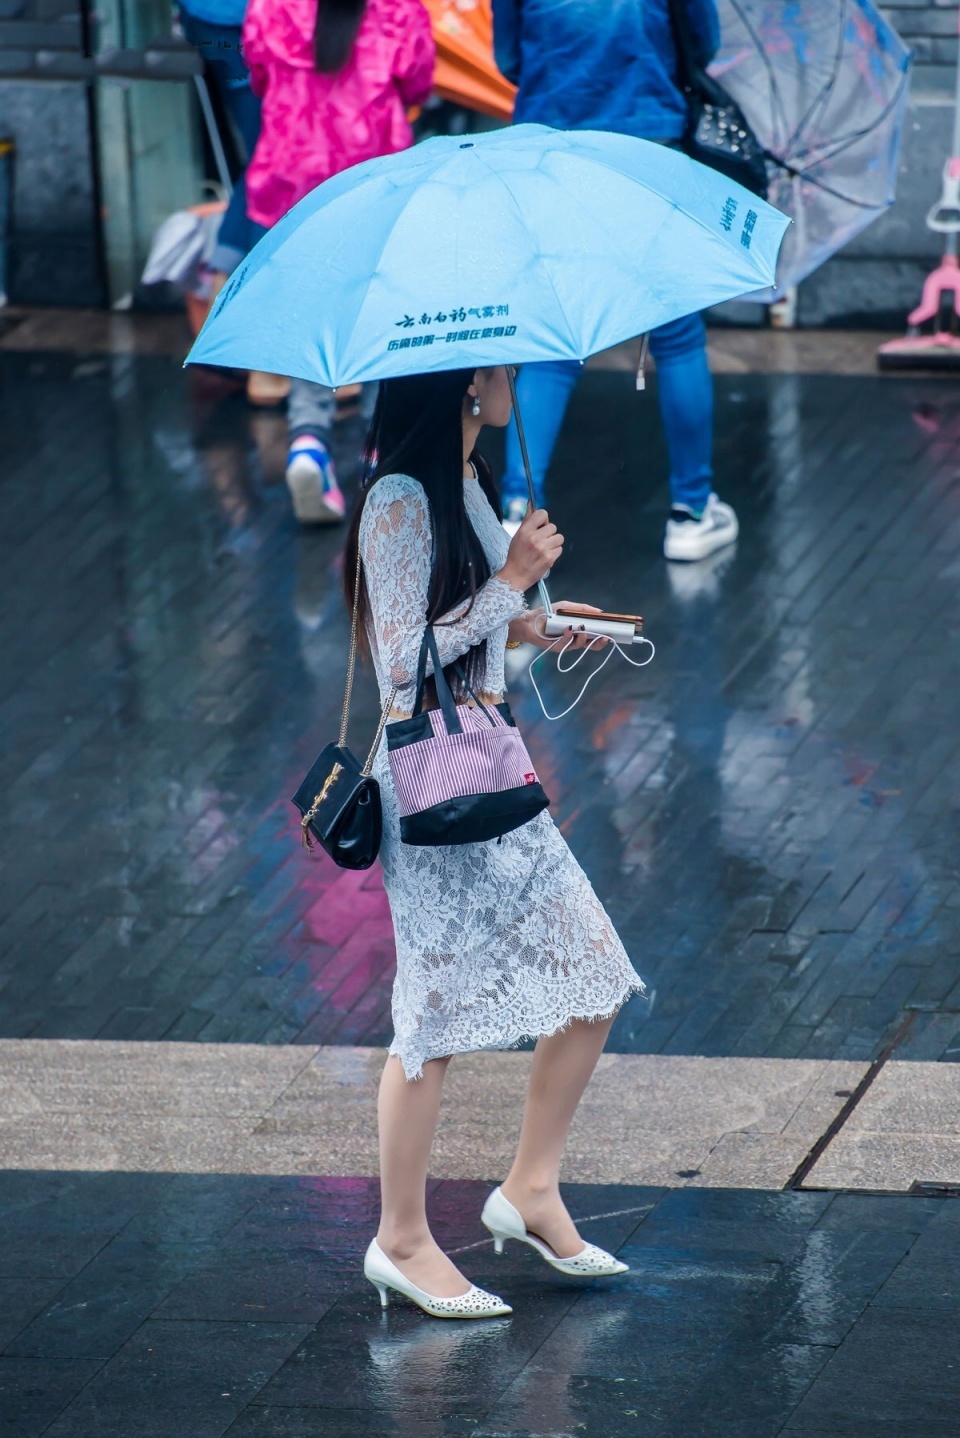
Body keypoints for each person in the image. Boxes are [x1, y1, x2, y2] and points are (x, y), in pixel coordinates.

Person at [347, 365, 645, 1317]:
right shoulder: (398, 496)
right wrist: (513, 577)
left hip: (492, 762)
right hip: (432, 784)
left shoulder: (465, 479)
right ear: (465, 380)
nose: (514, 375)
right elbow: (402, 660)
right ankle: (400, 1238)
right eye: (504, 363)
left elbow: (480, 637)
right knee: (428, 1020)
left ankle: (531, 1189)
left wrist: (549, 626)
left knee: (593, 972)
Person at [492, 0, 738, 564]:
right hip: (648, 146)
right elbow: (701, 43)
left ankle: (514, 514)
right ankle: (692, 513)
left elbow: (509, 58)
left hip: (551, 151)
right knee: (677, 339)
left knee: (552, 344)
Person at [242, 0, 435, 523]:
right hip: (373, 180)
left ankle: (308, 443)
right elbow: (419, 85)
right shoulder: (397, 10)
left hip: (294, 182)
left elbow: (259, 77)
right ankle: (378, 457)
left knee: (311, 318)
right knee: (379, 313)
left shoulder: (271, 6)